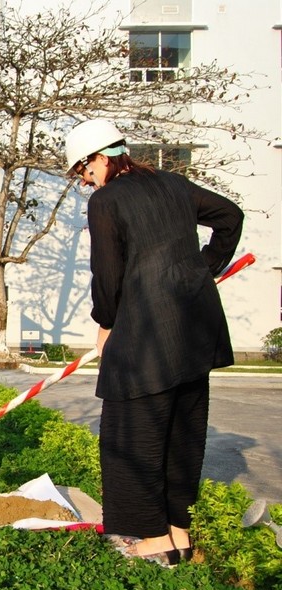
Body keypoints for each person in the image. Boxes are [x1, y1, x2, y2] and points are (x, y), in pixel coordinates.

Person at [64, 119, 243, 566]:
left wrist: (105, 324)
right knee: (183, 430)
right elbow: (230, 216)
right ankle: (178, 531)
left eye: (85, 171)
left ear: (103, 157)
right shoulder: (174, 184)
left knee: (133, 432)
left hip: (143, 335)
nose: (87, 181)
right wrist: (203, 270)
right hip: (193, 329)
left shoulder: (107, 201)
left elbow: (107, 274)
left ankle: (153, 538)